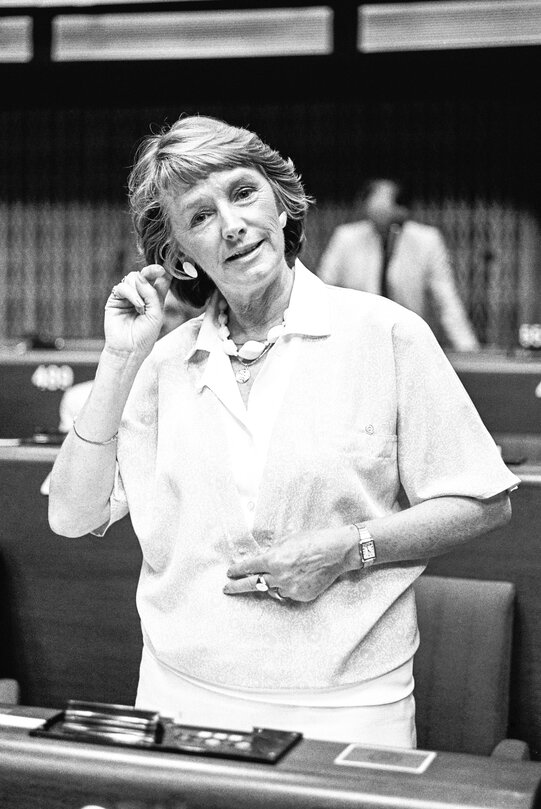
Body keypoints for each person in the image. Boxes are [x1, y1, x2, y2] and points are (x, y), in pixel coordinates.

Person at [48, 115, 518, 749]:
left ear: (280, 200)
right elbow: (73, 516)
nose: (232, 224)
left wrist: (350, 547)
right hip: (178, 694)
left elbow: (484, 502)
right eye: (200, 216)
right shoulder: (163, 364)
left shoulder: (386, 333)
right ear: (180, 254)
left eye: (243, 193)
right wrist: (119, 358)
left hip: (349, 705)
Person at [317, 179, 480, 351]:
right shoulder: (346, 238)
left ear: (402, 210)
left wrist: (467, 347)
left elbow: (446, 299)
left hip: (407, 342)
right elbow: (321, 292)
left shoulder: (426, 240)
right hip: (356, 342)